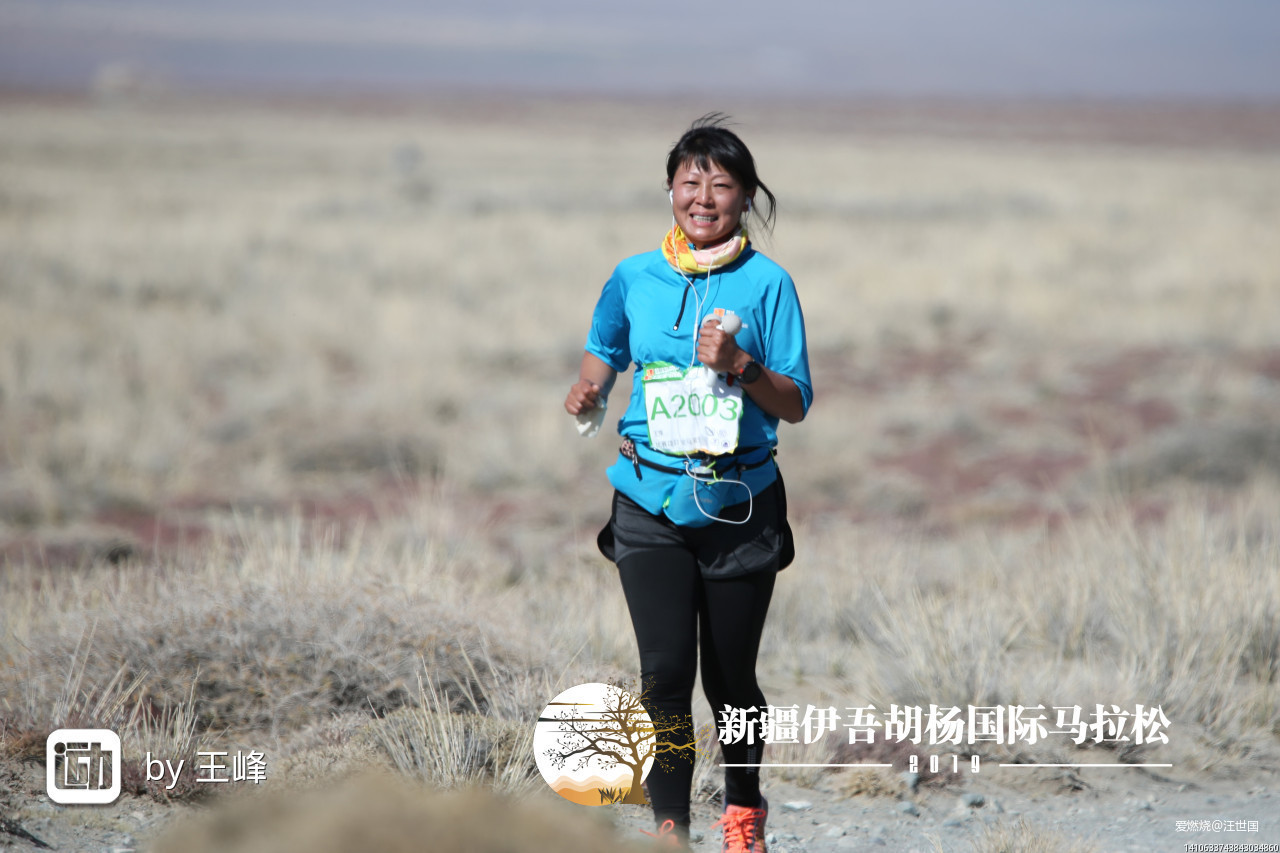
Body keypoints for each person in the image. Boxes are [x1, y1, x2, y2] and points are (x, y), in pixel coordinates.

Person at [564, 114, 812, 853]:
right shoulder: (634, 275)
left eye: (722, 185)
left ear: (746, 198)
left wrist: (740, 365)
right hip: (648, 497)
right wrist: (588, 390)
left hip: (739, 506)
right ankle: (670, 831)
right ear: (670, 189)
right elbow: (603, 347)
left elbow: (795, 402)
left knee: (730, 680)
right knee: (664, 676)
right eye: (689, 181)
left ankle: (743, 815)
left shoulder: (768, 284)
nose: (703, 197)